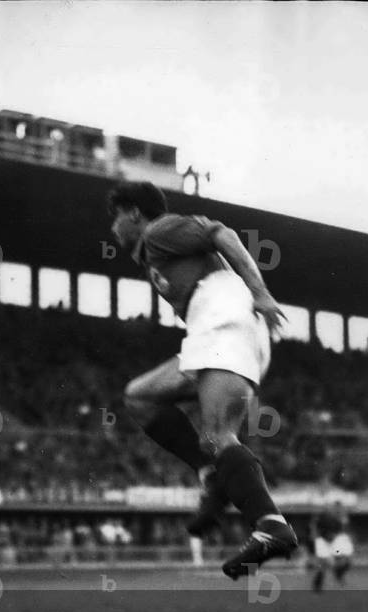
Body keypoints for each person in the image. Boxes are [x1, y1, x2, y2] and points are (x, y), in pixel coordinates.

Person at [107, 181, 298, 579]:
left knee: (218, 435)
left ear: (135, 215)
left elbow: (220, 233)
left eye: (117, 217)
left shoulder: (160, 230)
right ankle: (212, 475)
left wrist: (261, 292)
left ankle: (270, 525)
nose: (114, 228)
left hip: (226, 318)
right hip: (215, 327)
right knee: (139, 397)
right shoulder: (156, 254)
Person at [310, 509, 353, 592]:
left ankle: (337, 575)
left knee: (337, 560)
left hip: (333, 544)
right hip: (326, 543)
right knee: (324, 564)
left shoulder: (335, 524)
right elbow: (315, 532)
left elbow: (315, 532)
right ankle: (318, 585)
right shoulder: (324, 523)